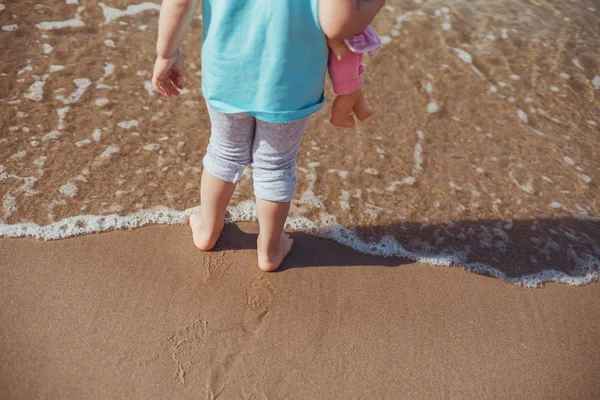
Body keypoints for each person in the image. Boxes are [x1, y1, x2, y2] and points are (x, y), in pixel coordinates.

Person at [152, 0, 385, 271]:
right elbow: (338, 24)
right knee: (275, 165)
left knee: (224, 152)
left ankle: (207, 230)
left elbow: (180, 3)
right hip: (291, 84)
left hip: (227, 75)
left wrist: (166, 54)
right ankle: (270, 250)